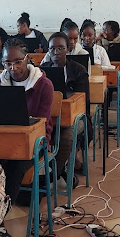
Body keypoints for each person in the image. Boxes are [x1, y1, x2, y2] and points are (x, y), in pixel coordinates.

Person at [0, 37, 53, 237]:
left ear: (28, 59)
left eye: (17, 62)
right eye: (6, 63)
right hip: (5, 143)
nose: (12, 68)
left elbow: (43, 124)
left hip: (34, 144)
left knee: (13, 169)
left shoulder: (43, 85)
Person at [40, 32, 91, 185]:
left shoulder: (78, 70)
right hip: (49, 116)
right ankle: (44, 172)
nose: (56, 52)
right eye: (52, 49)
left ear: (68, 49)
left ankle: (53, 174)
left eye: (60, 48)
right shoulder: (42, 70)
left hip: (76, 117)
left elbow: (82, 101)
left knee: (67, 135)